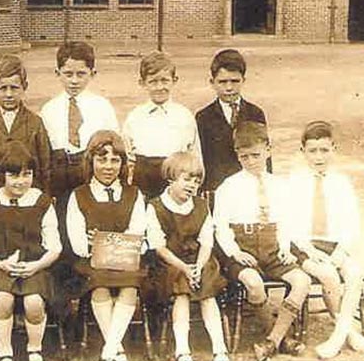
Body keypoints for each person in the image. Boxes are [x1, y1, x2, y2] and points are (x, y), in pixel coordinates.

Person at [214, 121, 309, 361]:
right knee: (253, 283)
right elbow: (220, 225)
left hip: (272, 244)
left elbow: (287, 220)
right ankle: (283, 339)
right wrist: (234, 252)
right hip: (242, 247)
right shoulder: (229, 186)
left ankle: (273, 340)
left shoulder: (279, 185)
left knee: (302, 281)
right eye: (244, 156)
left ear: (268, 149)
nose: (251, 161)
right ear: (237, 156)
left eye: (256, 155)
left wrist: (286, 249)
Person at [287, 121, 364, 359]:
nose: (319, 157)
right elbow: (289, 223)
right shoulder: (295, 182)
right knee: (328, 274)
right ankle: (348, 336)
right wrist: (308, 249)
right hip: (305, 245)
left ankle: (339, 336)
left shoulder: (341, 183)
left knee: (355, 274)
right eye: (312, 151)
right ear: (303, 151)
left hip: (335, 245)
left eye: (324, 150)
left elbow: (352, 223)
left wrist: (342, 250)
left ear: (333, 149)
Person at [66, 130, 147, 361]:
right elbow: (77, 240)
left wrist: (109, 242)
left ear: (122, 164)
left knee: (129, 287)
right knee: (99, 285)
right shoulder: (79, 196)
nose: (108, 166)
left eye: (115, 160)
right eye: (101, 160)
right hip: (92, 262)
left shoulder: (133, 194)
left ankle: (110, 348)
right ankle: (117, 348)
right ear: (91, 161)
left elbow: (137, 231)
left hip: (125, 260)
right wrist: (92, 246)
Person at [144, 151, 230, 361]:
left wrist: (198, 266)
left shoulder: (200, 205)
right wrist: (184, 267)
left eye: (197, 180)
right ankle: (182, 350)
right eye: (186, 179)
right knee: (181, 293)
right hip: (170, 262)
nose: (192, 185)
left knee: (207, 295)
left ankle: (220, 349)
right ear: (171, 178)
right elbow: (158, 247)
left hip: (199, 260)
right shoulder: (156, 206)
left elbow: (207, 241)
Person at [0, 144, 62, 361]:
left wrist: (36, 266)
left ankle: (34, 348)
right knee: (3, 299)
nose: (20, 181)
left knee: (34, 302)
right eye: (13, 175)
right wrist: (0, 264)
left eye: (27, 174)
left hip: (36, 267)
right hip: (1, 267)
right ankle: (5, 351)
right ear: (2, 176)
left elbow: (55, 247)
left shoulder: (42, 202)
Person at [40, 41, 120, 200]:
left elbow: (115, 144)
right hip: (60, 174)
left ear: (92, 73)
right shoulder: (48, 110)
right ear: (57, 73)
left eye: (81, 74)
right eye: (68, 74)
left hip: (91, 172)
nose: (74, 81)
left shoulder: (102, 107)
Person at [0, 54, 52, 197]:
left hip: (27, 194)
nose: (9, 94)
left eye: (14, 88)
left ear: (24, 87)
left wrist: (46, 197)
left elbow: (45, 165)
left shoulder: (35, 122)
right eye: (3, 88)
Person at [122, 51, 201, 199]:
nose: (159, 87)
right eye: (153, 81)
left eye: (165, 80)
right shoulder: (135, 117)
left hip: (175, 184)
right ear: (142, 83)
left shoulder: (184, 117)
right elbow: (128, 158)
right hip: (143, 185)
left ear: (174, 80)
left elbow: (195, 156)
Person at [195, 49, 269, 203]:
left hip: (250, 189)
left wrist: (265, 187)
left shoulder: (255, 113)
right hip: (217, 191)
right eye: (222, 82)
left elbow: (265, 156)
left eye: (235, 81)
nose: (229, 88)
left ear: (243, 80)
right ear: (212, 82)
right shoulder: (203, 117)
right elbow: (201, 159)